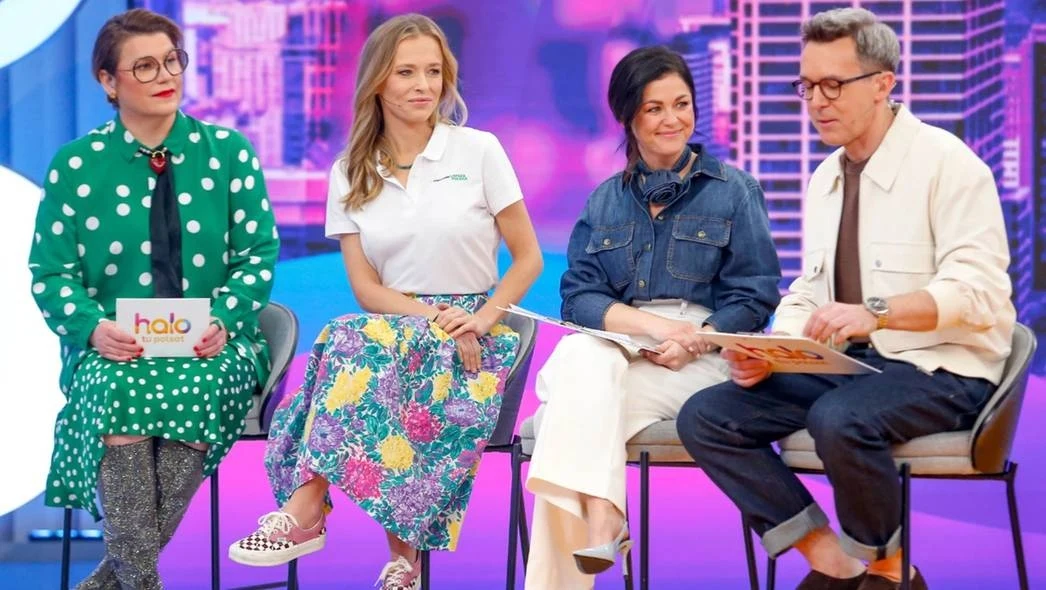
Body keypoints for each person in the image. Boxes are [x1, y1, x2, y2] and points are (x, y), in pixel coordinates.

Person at [675, 8, 1016, 590]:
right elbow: (810, 289)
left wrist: (877, 313)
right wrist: (776, 350)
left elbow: (978, 292)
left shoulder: (951, 165)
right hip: (858, 366)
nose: (816, 102)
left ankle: (891, 570)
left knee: (838, 418)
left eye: (833, 85)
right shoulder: (826, 177)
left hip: (945, 367)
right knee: (707, 416)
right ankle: (832, 562)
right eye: (807, 86)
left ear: (883, 83)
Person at [228, 13, 543, 590]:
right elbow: (368, 290)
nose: (424, 85)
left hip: (473, 338)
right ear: (377, 80)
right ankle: (402, 561)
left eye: (433, 72)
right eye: (406, 72)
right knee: (356, 335)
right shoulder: (349, 171)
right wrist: (431, 317)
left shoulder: (478, 150)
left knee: (347, 338)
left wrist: (477, 319)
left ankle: (308, 508)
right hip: (396, 327)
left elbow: (528, 260)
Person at [28, 8, 279, 589]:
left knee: (197, 385)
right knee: (116, 388)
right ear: (108, 81)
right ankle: (139, 580)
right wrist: (93, 330)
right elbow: (51, 274)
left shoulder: (227, 152)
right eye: (144, 66)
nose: (165, 75)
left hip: (214, 346)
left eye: (171, 60)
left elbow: (258, 254)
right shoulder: (76, 165)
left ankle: (117, 583)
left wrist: (224, 318)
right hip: (114, 348)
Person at [523, 46, 782, 589]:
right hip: (625, 342)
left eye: (681, 104)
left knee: (560, 423)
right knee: (580, 351)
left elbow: (755, 295)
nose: (672, 120)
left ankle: (601, 523)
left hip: (704, 356)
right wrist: (657, 329)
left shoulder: (735, 190)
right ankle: (604, 519)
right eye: (654, 108)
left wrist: (696, 339)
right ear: (628, 117)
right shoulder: (604, 202)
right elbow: (579, 299)